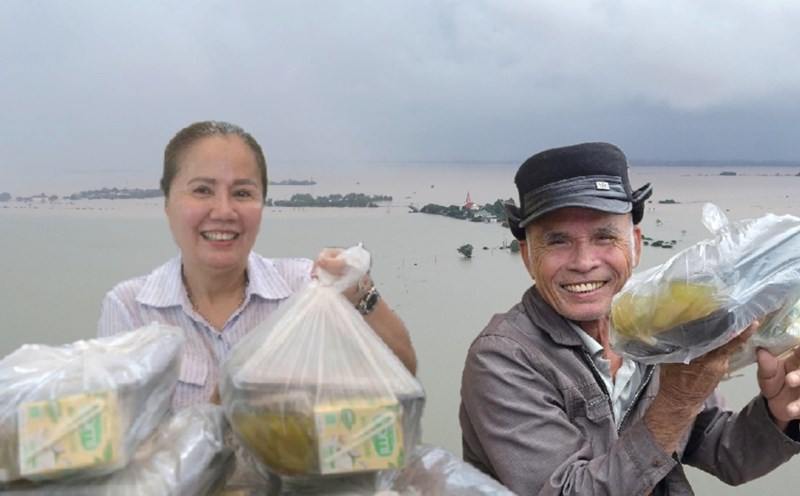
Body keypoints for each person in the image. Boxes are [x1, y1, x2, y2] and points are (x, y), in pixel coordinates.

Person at [459, 142, 800, 494]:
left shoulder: (661, 322)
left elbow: (725, 451)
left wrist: (779, 413)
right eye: (558, 242)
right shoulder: (503, 358)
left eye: (604, 236)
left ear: (635, 244)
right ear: (528, 257)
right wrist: (676, 400)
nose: (583, 261)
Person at [98, 120, 416, 411]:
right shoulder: (130, 308)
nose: (223, 210)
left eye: (242, 193)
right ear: (167, 203)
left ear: (262, 204)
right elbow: (119, 438)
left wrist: (359, 291)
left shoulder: (306, 288)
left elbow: (401, 376)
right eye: (202, 190)